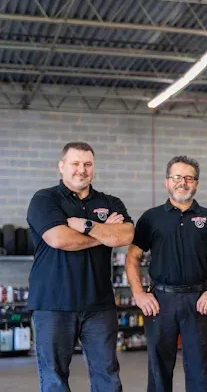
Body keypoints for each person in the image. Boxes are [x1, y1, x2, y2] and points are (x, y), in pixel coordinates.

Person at [26, 141, 134, 392]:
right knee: (54, 377)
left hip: (99, 305)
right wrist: (106, 233)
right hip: (53, 304)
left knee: (107, 375)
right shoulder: (45, 199)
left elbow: (126, 235)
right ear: (61, 166)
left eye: (87, 164)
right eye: (75, 163)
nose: (81, 169)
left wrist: (85, 226)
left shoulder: (109, 202)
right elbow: (59, 239)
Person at [126, 156, 207, 392]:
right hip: (159, 302)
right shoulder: (151, 218)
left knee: (198, 368)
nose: (183, 182)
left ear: (196, 183)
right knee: (158, 369)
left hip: (198, 301)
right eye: (177, 177)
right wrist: (138, 294)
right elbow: (132, 257)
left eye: (189, 178)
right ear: (167, 182)